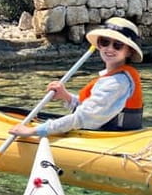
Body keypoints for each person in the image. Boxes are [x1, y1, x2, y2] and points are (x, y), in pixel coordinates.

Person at [9, 17, 144, 138]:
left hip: (113, 139)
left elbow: (82, 118)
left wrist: (34, 131)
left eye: (118, 45)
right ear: (99, 45)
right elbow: (92, 110)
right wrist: (66, 96)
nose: (110, 48)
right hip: (111, 133)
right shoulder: (114, 78)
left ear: (129, 51)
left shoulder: (117, 82)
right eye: (105, 42)